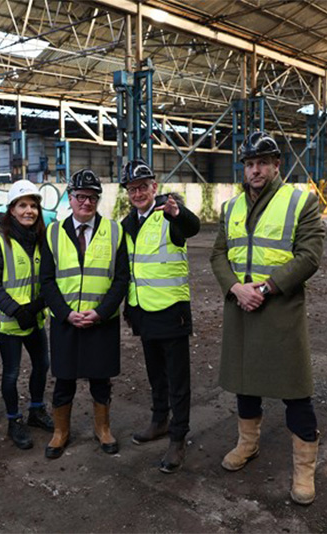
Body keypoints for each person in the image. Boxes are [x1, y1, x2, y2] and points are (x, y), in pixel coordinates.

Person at [210, 131, 325, 505]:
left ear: (278, 165)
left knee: (296, 391)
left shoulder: (301, 202)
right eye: (249, 164)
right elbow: (218, 256)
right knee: (246, 383)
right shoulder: (231, 208)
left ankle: (304, 471)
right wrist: (235, 288)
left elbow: (309, 256)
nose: (255, 170)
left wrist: (267, 288)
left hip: (280, 311)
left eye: (262, 162)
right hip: (241, 309)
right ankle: (248, 445)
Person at [39, 169, 129, 459]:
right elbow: (47, 281)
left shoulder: (115, 231)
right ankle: (60, 432)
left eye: (92, 197)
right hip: (67, 322)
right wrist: (65, 313)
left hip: (101, 322)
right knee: (64, 380)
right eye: (80, 196)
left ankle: (103, 429)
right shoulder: (52, 232)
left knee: (100, 380)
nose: (86, 203)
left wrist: (102, 312)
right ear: (70, 198)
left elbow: (121, 280)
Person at [120, 159, 200, 474]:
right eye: (132, 189)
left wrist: (178, 212)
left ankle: (178, 439)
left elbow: (191, 227)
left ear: (154, 187)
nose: (138, 193)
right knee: (156, 375)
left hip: (172, 312)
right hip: (144, 313)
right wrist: (130, 307)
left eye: (143, 186)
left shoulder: (170, 214)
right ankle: (159, 420)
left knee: (178, 380)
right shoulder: (127, 224)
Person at [0, 180, 54, 450]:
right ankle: (14, 420)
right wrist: (15, 310)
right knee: (11, 374)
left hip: (34, 319)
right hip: (8, 323)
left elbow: (50, 279)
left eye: (33, 206)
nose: (29, 211)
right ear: (11, 210)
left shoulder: (41, 241)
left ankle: (36, 410)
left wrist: (34, 308)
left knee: (42, 365)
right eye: (23, 205)